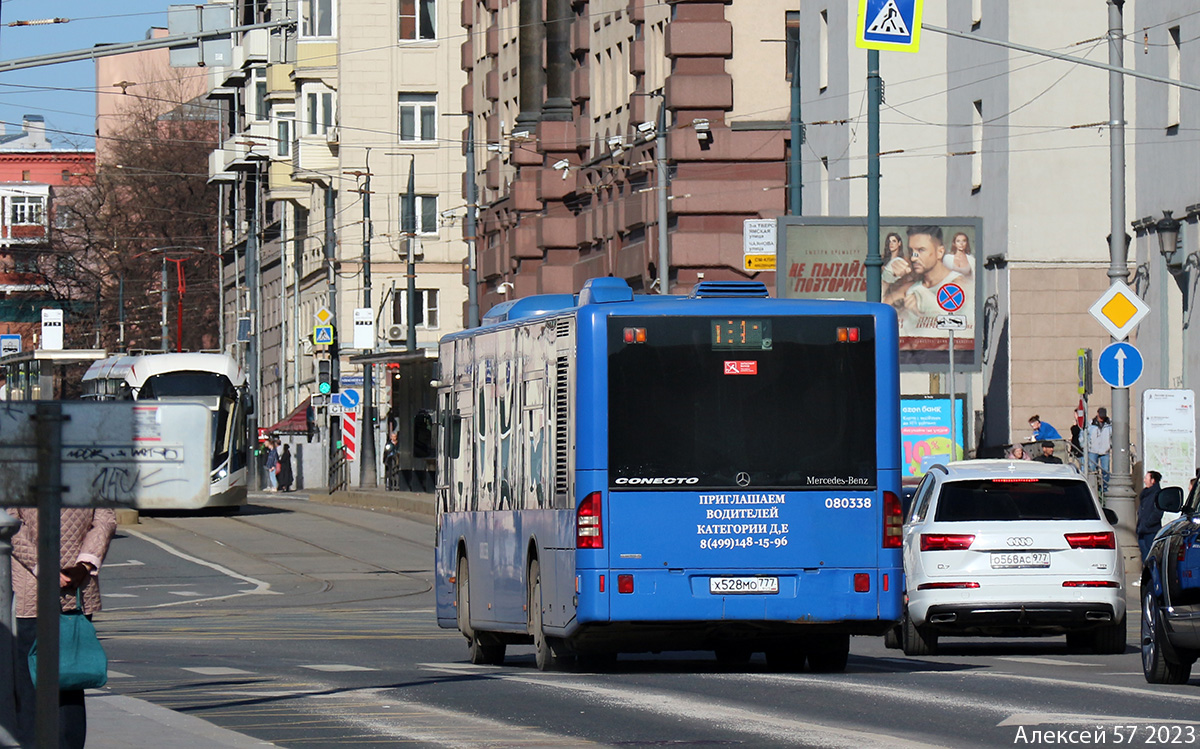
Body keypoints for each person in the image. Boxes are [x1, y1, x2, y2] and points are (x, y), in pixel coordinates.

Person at [8, 506, 117, 749]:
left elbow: (10, 523)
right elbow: (105, 520)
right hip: (75, 587)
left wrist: (43, 565)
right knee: (69, 682)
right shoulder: (90, 467)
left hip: (35, 592)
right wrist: (84, 565)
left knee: (30, 681)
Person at [1137, 470, 1164, 561]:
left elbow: (1157, 513)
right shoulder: (1145, 493)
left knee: (1151, 555)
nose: (1144, 481)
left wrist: (1147, 523)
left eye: (1146, 478)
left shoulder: (1157, 494)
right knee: (1144, 555)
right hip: (1142, 530)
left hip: (1151, 530)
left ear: (1153, 480)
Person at [1087, 407, 1113, 494]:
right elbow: (1084, 435)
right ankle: (1092, 488)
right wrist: (1085, 446)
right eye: (1100, 416)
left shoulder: (1109, 424)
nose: (1101, 419)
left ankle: (1105, 489)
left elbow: (1113, 436)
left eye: (1103, 417)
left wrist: (1110, 445)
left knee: (1105, 470)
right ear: (1097, 414)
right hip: (1093, 450)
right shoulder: (1090, 424)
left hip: (1105, 451)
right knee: (1092, 470)